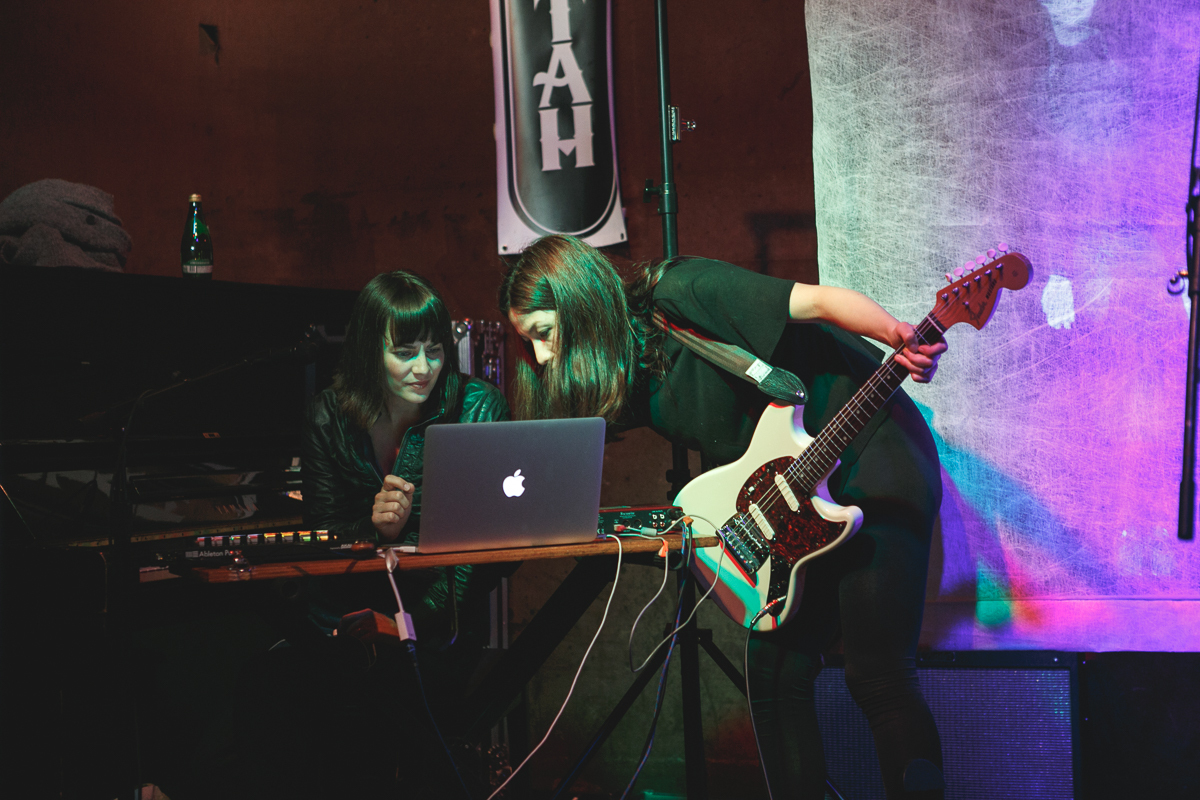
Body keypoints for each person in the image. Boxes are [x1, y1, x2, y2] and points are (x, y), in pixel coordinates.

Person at [499, 234, 947, 799]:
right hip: (798, 494)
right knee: (774, 672)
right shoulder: (623, 369)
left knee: (876, 677)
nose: (540, 356)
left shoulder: (681, 292)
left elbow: (815, 301)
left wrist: (895, 336)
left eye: (543, 333)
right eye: (528, 343)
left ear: (578, 302)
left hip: (872, 449)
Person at [233, 270, 508, 799]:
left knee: (393, 706)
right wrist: (375, 529)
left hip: (442, 613)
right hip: (348, 612)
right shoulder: (330, 416)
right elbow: (323, 531)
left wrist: (406, 623)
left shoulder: (477, 408)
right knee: (285, 691)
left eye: (435, 350)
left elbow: (477, 555)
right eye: (405, 352)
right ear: (368, 349)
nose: (424, 368)